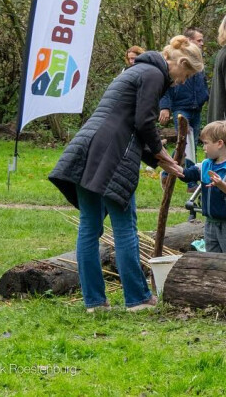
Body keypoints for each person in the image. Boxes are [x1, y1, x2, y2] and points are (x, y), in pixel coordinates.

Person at [49, 35, 204, 312]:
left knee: (89, 226)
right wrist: (161, 152)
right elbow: (143, 121)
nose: (183, 81)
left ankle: (95, 302)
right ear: (180, 62)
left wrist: (160, 160)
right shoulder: (154, 74)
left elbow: (128, 122)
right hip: (113, 155)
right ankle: (137, 299)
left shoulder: (138, 70)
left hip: (89, 148)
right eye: (187, 74)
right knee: (124, 228)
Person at [177, 121, 226, 253]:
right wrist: (172, 168)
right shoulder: (205, 165)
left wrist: (221, 184)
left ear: (220, 143)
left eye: (205, 143)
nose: (203, 147)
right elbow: (187, 174)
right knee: (211, 257)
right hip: (210, 222)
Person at [159, 27, 209, 144]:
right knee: (183, 142)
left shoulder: (198, 60)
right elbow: (165, 87)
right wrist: (165, 107)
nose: (202, 43)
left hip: (196, 108)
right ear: (189, 40)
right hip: (181, 107)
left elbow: (203, 82)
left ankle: (184, 162)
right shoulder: (176, 62)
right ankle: (175, 161)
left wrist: (205, 96)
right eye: (199, 40)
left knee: (193, 143)